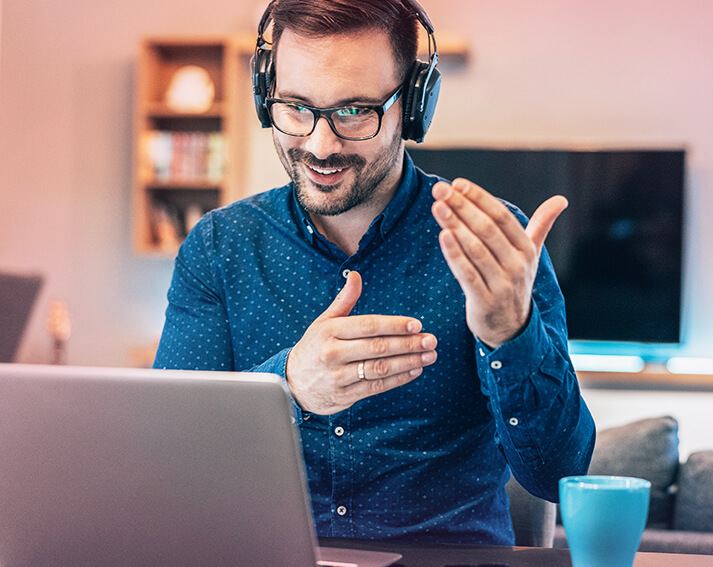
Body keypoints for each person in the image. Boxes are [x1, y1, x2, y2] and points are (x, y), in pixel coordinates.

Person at [154, 0, 595, 545]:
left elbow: (558, 474)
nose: (319, 145)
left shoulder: (496, 244)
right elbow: (170, 461)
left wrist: (511, 331)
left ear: (414, 104)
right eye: (295, 107)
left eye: (354, 111)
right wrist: (287, 387)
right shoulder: (220, 248)